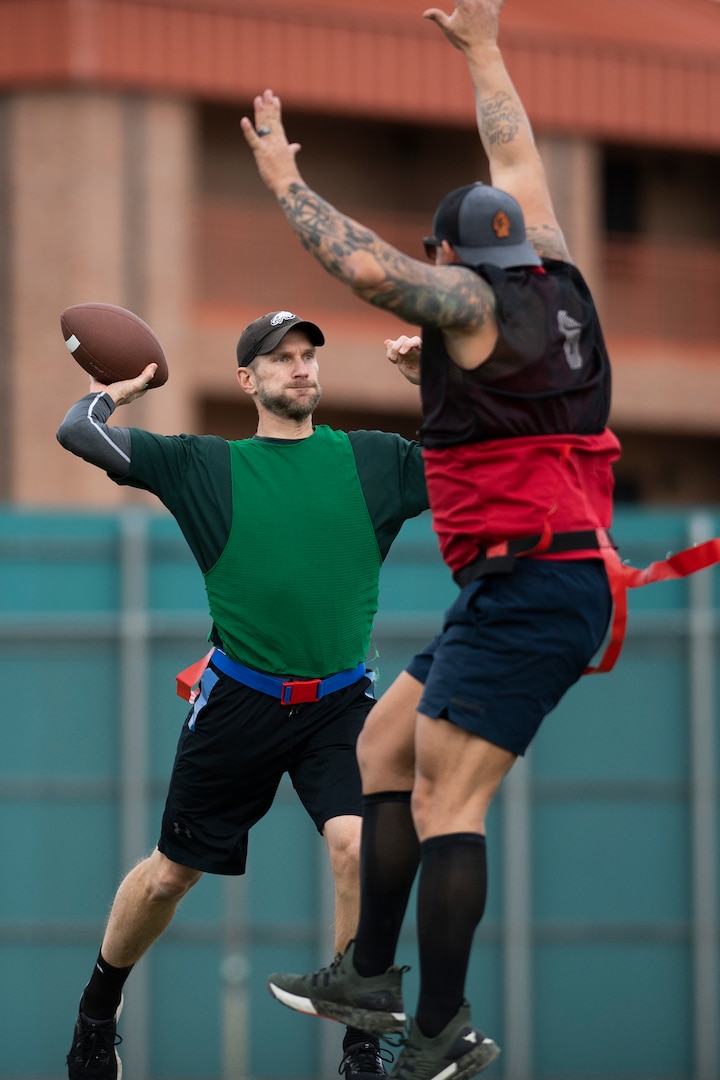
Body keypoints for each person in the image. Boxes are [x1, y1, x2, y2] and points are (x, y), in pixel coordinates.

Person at [242, 2, 621, 1079]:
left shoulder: (463, 291)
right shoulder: (552, 273)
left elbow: (368, 273)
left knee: (452, 801)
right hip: (516, 581)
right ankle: (369, 974)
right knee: (382, 753)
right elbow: (515, 154)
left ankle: (442, 1031)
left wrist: (285, 184)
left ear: (457, 260)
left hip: (536, 582)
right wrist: (481, 49)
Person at [58, 309, 429, 1080]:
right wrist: (115, 392)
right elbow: (78, 433)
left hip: (340, 705)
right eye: (281, 358)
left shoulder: (372, 461)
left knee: (359, 844)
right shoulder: (208, 466)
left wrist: (439, 386)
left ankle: (360, 1044)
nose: (300, 368)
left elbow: (479, 456)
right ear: (247, 380)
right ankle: (98, 1010)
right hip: (240, 702)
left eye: (308, 355)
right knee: (170, 876)